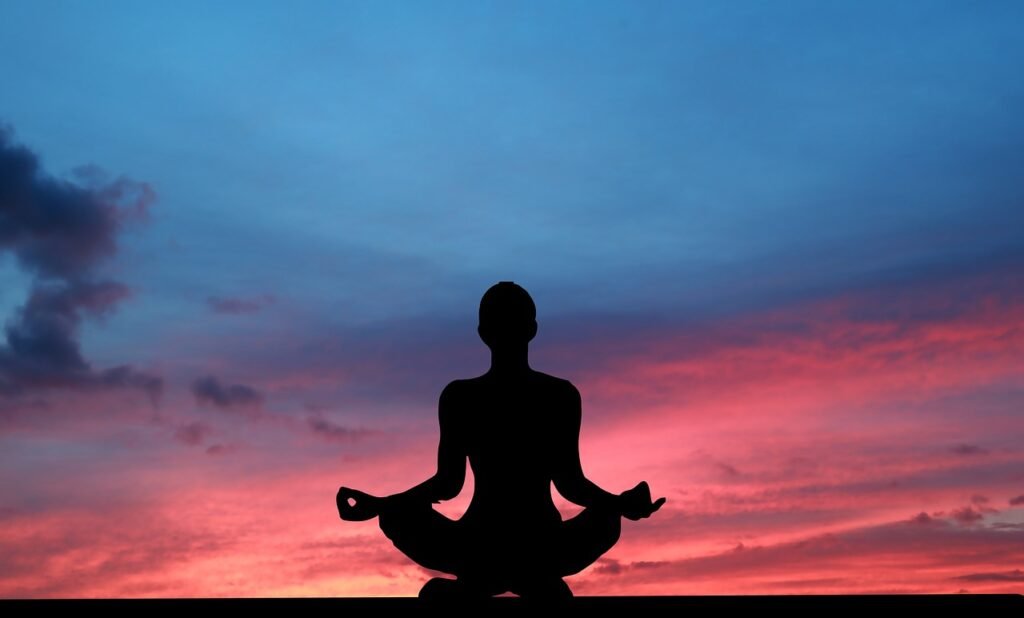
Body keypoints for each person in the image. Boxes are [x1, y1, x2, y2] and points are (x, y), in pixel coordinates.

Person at [337, 281, 665, 598]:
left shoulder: (463, 397)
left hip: (490, 545)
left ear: (483, 334)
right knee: (606, 517)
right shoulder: (557, 396)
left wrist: (381, 504)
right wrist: (621, 504)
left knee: (397, 514)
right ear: (532, 329)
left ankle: (483, 583)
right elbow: (571, 484)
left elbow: (448, 484)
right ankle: (523, 580)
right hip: (531, 545)